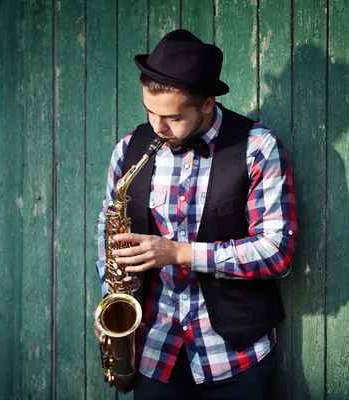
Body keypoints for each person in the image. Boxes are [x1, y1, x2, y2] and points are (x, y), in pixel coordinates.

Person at [94, 29, 297, 400]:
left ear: (206, 104)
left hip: (236, 355)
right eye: (150, 112)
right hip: (156, 349)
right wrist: (112, 299)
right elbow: (106, 231)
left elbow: (277, 253)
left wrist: (179, 253)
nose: (156, 128)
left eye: (172, 117)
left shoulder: (258, 147)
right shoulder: (129, 148)